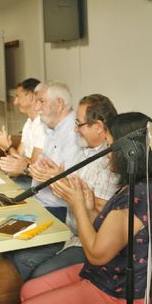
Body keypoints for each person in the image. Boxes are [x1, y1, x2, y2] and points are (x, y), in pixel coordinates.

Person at [10, 112, 152, 304]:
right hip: (111, 276)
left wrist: (77, 205)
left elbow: (97, 254)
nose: (107, 156)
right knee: (30, 290)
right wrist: (87, 207)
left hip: (122, 294)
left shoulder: (139, 197)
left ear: (130, 153)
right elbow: (115, 231)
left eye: (110, 146)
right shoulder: (146, 184)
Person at [7, 94, 121, 280]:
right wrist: (58, 176)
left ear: (99, 127)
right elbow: (78, 187)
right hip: (70, 231)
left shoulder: (111, 159)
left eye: (79, 124)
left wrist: (57, 180)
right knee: (17, 251)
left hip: (87, 241)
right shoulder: (85, 152)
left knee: (32, 266)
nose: (76, 130)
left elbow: (104, 208)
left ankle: (40, 301)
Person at [27, 81, 80, 223]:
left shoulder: (74, 131)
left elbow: (69, 181)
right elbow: (41, 169)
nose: (36, 107)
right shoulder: (53, 127)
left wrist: (26, 168)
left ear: (60, 103)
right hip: (40, 201)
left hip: (59, 209)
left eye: (41, 101)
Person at [0, 78, 47, 189]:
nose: (15, 102)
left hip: (37, 183)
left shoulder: (42, 126)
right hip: (25, 177)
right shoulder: (28, 124)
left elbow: (32, 167)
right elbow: (17, 161)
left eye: (17, 97)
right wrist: (6, 147)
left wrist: (8, 146)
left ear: (30, 97)